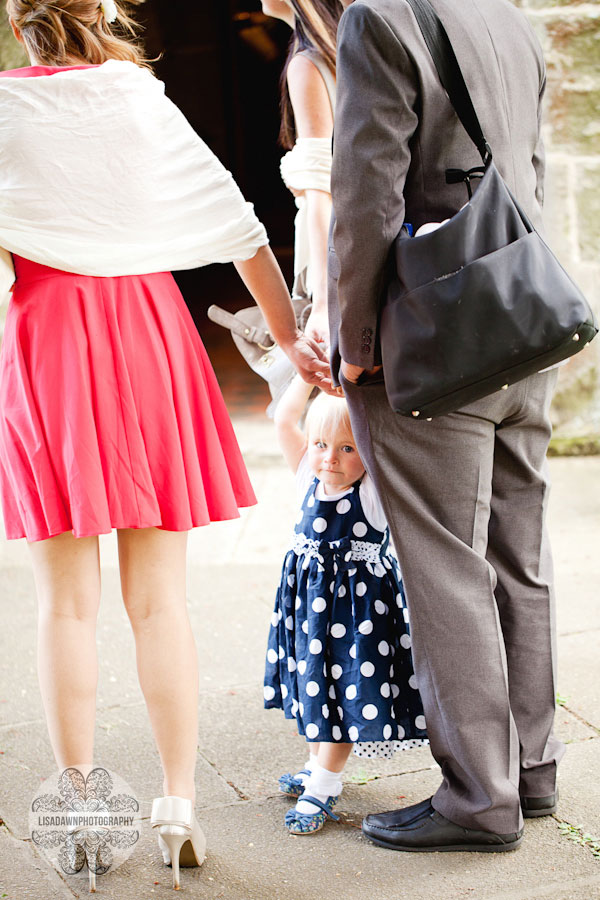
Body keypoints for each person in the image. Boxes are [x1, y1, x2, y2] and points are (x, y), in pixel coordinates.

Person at [0, 0, 331, 890]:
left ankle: (77, 812)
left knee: (64, 605)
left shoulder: (5, 109)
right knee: (162, 600)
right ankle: (178, 804)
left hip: (49, 335)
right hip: (148, 327)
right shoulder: (139, 98)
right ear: (104, 14)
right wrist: (288, 338)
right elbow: (239, 227)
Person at [328, 0, 564, 853]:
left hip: (435, 336)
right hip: (526, 312)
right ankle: (531, 771)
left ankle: (477, 799)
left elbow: (365, 201)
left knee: (445, 566)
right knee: (518, 558)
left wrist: (354, 344)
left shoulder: (376, 21)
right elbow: (527, 168)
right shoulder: (508, 14)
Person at [264, 375, 427, 834]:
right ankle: (319, 770)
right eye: (320, 444)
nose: (330, 458)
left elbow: (391, 437)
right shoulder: (306, 476)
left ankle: (323, 785)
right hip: (308, 615)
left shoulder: (373, 493)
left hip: (359, 622)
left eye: (347, 448)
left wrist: (364, 390)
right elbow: (283, 419)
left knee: (342, 694)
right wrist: (304, 373)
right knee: (316, 689)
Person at [260, 0, 342, 348]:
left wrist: (323, 305)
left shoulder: (308, 64)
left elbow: (322, 188)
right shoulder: (347, 48)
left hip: (330, 253)